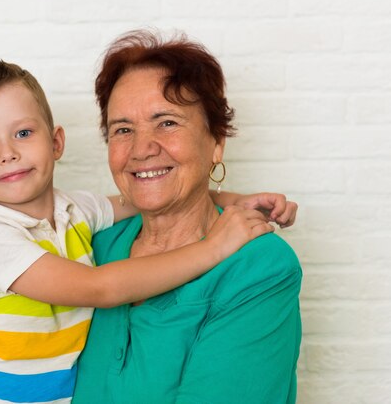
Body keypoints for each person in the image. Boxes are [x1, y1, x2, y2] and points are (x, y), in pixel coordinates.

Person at [0, 59, 297, 404]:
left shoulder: (77, 215)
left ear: (56, 142)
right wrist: (213, 248)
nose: (7, 153)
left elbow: (143, 196)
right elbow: (100, 287)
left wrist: (237, 201)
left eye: (23, 133)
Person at [72, 30, 302, 404]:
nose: (142, 149)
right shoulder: (90, 244)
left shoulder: (260, 267)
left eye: (167, 122)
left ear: (216, 142)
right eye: (123, 129)